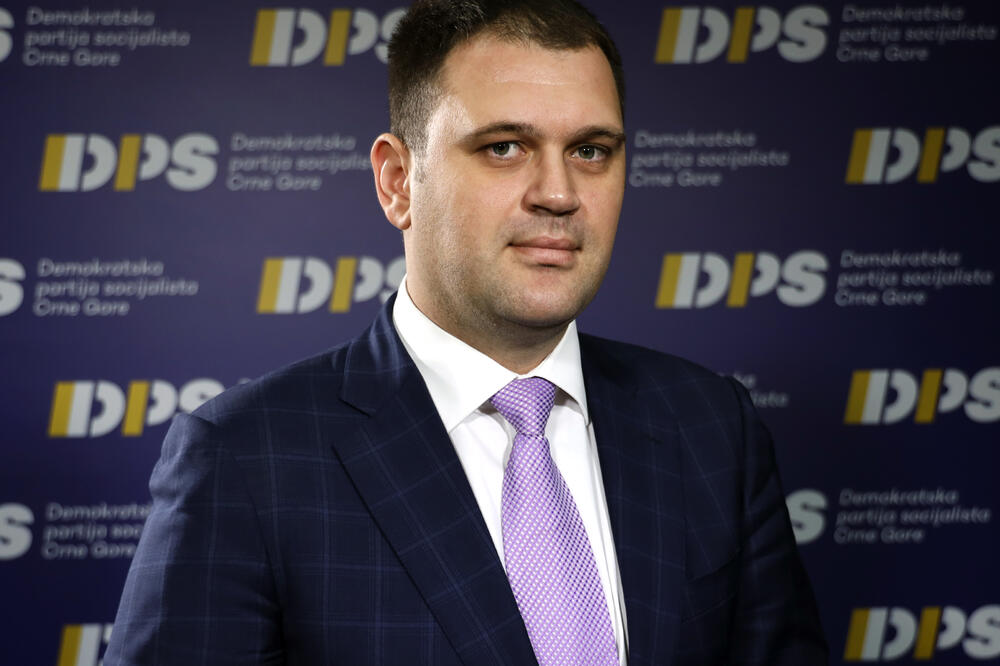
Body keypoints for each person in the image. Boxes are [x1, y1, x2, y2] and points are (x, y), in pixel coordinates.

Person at [105, 1, 828, 664]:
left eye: (591, 150)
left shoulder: (712, 428)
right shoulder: (245, 459)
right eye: (505, 147)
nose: (559, 193)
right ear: (397, 181)